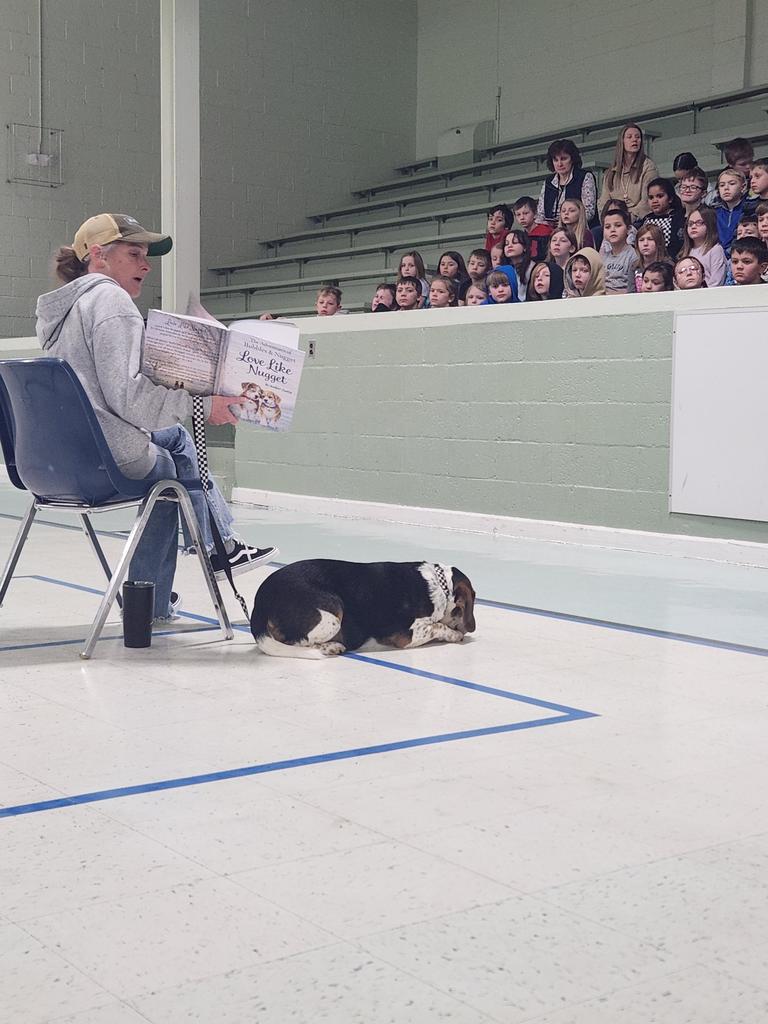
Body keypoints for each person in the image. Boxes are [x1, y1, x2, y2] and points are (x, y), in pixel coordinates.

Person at [34, 213, 277, 622]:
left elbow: (107, 388)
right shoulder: (111, 301)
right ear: (99, 256)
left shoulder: (64, 310)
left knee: (176, 439)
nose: (146, 266)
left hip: (56, 460)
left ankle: (221, 549)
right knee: (168, 482)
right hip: (103, 456)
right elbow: (130, 399)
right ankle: (167, 588)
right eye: (134, 254)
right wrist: (202, 404)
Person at [598, 123, 659, 221]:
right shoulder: (611, 172)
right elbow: (603, 203)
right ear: (622, 142)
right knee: (596, 232)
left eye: (638, 137)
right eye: (629, 137)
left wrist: (626, 220)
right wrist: (607, 220)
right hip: (614, 220)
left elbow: (646, 202)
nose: (634, 139)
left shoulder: (648, 167)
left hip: (638, 220)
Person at [536, 138, 597, 226]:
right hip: (551, 231)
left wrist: (564, 223)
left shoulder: (585, 177)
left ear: (572, 159)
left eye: (564, 159)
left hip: (579, 229)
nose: (559, 164)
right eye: (555, 160)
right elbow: (541, 214)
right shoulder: (548, 182)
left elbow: (589, 212)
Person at [636, 178, 685, 258]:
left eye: (659, 196)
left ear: (670, 198)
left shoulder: (677, 218)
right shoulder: (646, 219)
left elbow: (678, 245)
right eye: (651, 197)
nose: (655, 201)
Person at [711, 168, 754, 255]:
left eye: (732, 184)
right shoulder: (714, 212)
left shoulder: (750, 209)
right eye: (722, 185)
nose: (726, 188)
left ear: (743, 187)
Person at [681, 206, 726, 287]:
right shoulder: (686, 252)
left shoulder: (715, 250)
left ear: (709, 225)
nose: (693, 227)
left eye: (699, 222)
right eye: (690, 224)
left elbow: (717, 281)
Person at [602, 207, 639, 294]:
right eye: (607, 227)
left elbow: (633, 287)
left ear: (628, 229)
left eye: (618, 225)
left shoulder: (633, 256)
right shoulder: (603, 257)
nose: (612, 230)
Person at [513, 196, 552, 261]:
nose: (522, 217)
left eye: (525, 213)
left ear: (535, 213)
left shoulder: (545, 232)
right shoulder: (522, 236)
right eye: (518, 215)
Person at [633, 224, 670, 291]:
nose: (645, 244)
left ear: (659, 243)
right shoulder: (634, 266)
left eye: (650, 239)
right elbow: (631, 292)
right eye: (641, 240)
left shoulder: (668, 265)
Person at [502, 229, 533, 300]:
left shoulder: (532, 268)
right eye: (506, 244)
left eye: (515, 242)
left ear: (525, 247)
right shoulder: (503, 269)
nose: (509, 246)